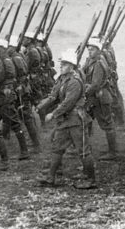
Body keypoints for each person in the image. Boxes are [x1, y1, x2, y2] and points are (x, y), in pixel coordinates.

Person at [35, 49, 96, 189]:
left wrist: (53, 114)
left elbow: (68, 103)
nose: (60, 66)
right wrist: (40, 106)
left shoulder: (74, 82)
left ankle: (91, 180)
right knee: (57, 148)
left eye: (64, 64)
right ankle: (50, 177)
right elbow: (53, 96)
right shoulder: (62, 79)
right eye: (61, 64)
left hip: (75, 120)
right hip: (66, 120)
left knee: (83, 150)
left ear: (72, 66)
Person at [82, 37, 118, 160]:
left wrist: (83, 91)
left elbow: (95, 84)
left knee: (107, 124)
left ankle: (113, 153)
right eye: (89, 50)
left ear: (98, 50)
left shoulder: (98, 63)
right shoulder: (92, 60)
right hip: (94, 97)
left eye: (92, 50)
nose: (90, 52)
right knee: (85, 119)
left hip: (100, 97)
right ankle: (85, 147)